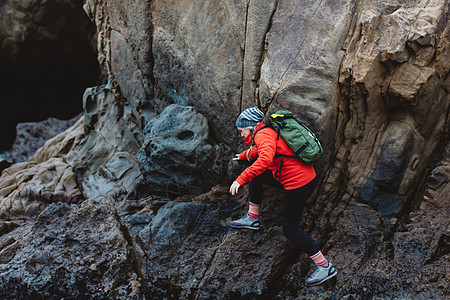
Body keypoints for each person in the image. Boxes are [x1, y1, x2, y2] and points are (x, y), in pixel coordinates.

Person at [228, 107, 337, 287]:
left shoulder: (263, 136)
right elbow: (258, 150)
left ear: (250, 127)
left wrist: (240, 180)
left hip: (298, 185)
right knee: (256, 175)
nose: (241, 135)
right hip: (305, 177)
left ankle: (325, 266)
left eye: (242, 131)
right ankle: (252, 218)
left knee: (290, 230)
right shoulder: (266, 131)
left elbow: (264, 160)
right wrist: (242, 156)